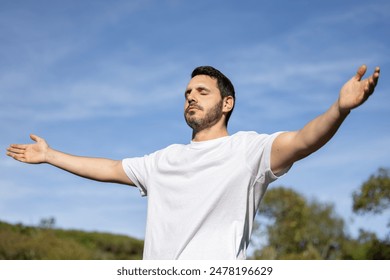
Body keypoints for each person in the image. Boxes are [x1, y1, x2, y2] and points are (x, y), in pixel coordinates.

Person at [6, 65, 380, 260]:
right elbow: (109, 168)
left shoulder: (249, 151)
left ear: (227, 103)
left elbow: (303, 140)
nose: (191, 97)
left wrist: (340, 109)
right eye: (187, 93)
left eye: (202, 91)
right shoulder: (164, 160)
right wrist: (50, 155)